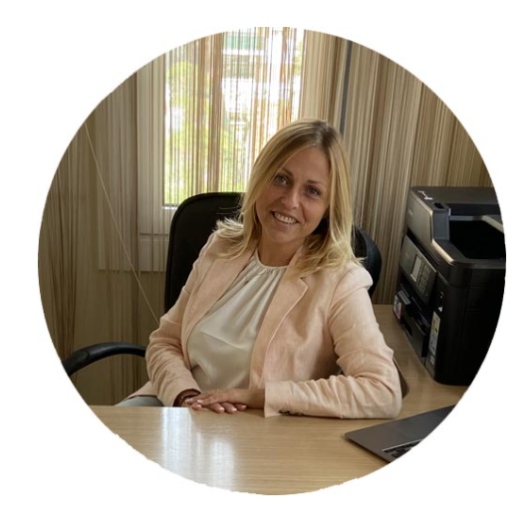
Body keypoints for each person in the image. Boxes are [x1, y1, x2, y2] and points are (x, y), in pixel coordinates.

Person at [124, 118, 403, 418]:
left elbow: (382, 390)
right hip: (174, 407)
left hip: (252, 428)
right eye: (281, 179)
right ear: (260, 177)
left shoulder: (340, 281)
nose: (290, 201)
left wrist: (261, 397)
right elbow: (165, 342)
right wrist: (186, 397)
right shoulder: (221, 247)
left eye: (312, 191)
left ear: (328, 208)